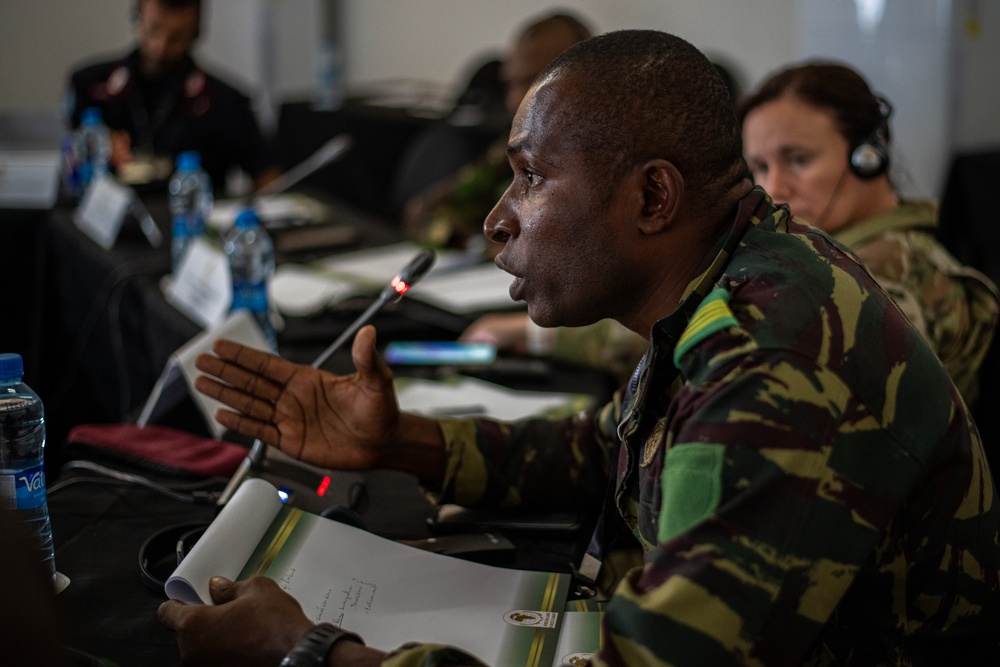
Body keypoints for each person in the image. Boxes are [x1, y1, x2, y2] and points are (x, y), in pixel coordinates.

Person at [159, 30, 1000, 666]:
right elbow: (608, 446)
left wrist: (312, 652)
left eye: (529, 178)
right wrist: (397, 441)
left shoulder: (775, 355)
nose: (499, 219)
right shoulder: (735, 277)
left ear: (652, 197)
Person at [738, 62, 999, 407]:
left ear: (868, 155)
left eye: (798, 160)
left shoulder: (880, 277)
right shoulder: (836, 257)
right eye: (760, 167)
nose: (773, 188)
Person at [401, 10, 592, 252]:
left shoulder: (601, 160)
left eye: (534, 80)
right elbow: (421, 212)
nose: (515, 101)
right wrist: (463, 237)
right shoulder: (514, 150)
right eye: (511, 84)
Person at [66, 0, 280, 191]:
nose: (160, 47)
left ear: (195, 34)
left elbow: (268, 178)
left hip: (190, 226)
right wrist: (99, 146)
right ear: (137, 18)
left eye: (176, 38)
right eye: (153, 30)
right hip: (104, 221)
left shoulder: (226, 102)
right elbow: (68, 159)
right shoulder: (91, 84)